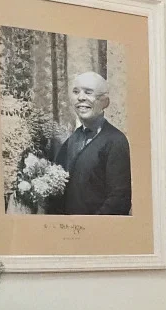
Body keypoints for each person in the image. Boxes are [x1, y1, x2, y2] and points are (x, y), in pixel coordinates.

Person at [53, 72, 132, 216]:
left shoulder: (116, 141)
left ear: (105, 102)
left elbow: (119, 200)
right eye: (76, 92)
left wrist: (90, 226)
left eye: (88, 92)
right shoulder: (72, 140)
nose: (81, 97)